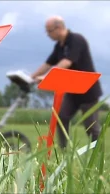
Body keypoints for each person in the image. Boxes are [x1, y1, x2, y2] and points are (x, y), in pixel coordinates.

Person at [31, 16, 103, 149]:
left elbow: (67, 62)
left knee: (91, 127)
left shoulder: (76, 40)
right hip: (72, 90)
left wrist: (47, 77)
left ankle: (98, 155)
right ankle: (63, 152)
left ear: (58, 28)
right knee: (62, 118)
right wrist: (31, 77)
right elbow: (48, 63)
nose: (48, 34)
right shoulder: (59, 46)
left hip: (88, 90)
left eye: (49, 31)